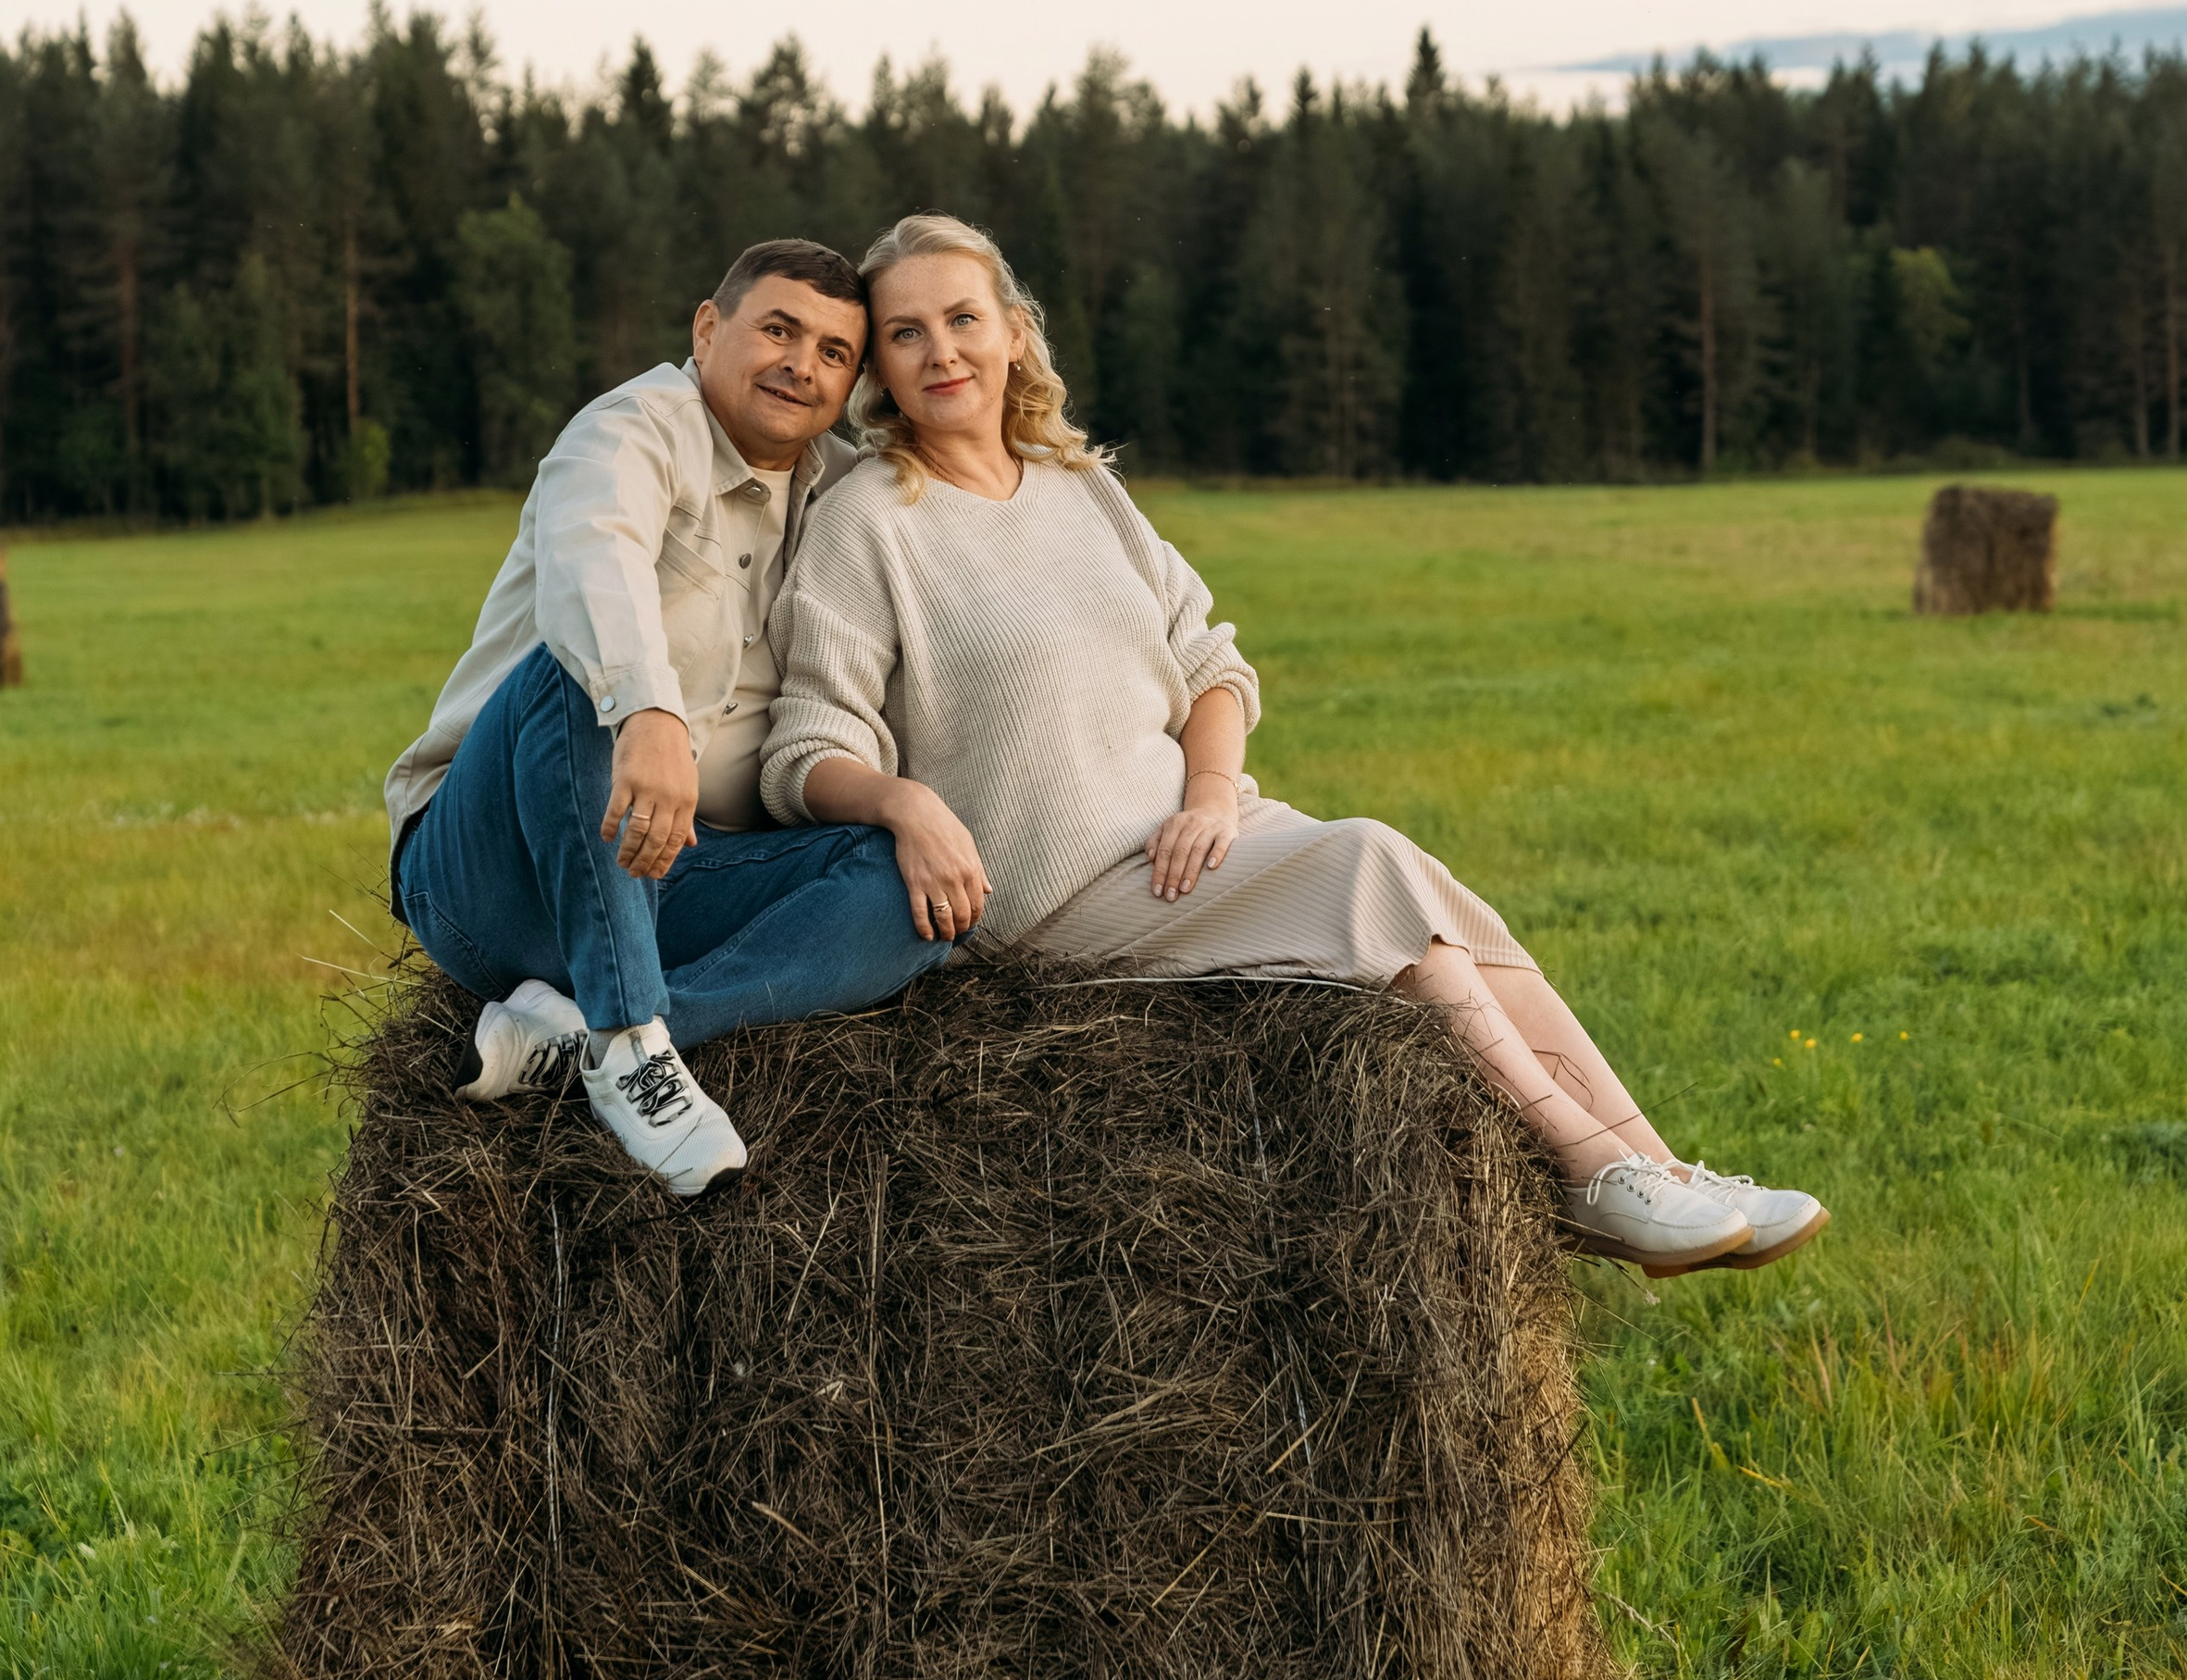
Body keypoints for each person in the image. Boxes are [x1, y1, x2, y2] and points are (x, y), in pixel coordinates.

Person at [761, 213, 1828, 1277]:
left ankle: (1655, 1175)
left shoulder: (1084, 493)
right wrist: (906, 805)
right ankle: (1596, 1177)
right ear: (880, 374)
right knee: (1369, 860)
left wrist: (1213, 795)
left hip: (1191, 842)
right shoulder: (870, 522)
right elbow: (807, 746)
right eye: (906, 334)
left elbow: (1211, 667)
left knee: (1431, 899)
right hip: (1057, 892)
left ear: (1012, 334)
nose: (941, 351)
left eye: (962, 318)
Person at [385, 236, 953, 1197]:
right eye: (777, 330)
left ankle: (615, 1033)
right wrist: (647, 710)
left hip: (666, 875)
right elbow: (592, 553)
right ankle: (631, 1043)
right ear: (708, 326)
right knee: (570, 676)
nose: (799, 365)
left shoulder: (844, 491)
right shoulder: (629, 430)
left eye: (831, 353)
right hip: (493, 873)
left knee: (915, 895)